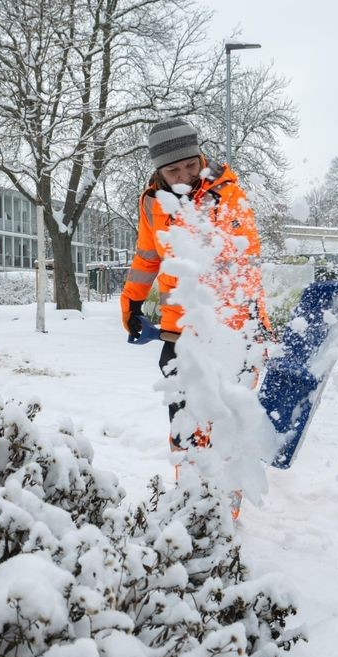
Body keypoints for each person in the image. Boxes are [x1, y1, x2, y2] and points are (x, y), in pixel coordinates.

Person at [119, 118, 270, 514]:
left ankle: (224, 515)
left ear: (200, 155)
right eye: (173, 170)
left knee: (222, 428)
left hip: (228, 335)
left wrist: (250, 333)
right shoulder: (152, 202)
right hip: (178, 334)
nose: (184, 175)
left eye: (190, 164)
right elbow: (147, 256)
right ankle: (191, 504)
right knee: (184, 427)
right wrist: (132, 301)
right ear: (158, 171)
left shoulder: (227, 195)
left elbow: (239, 265)